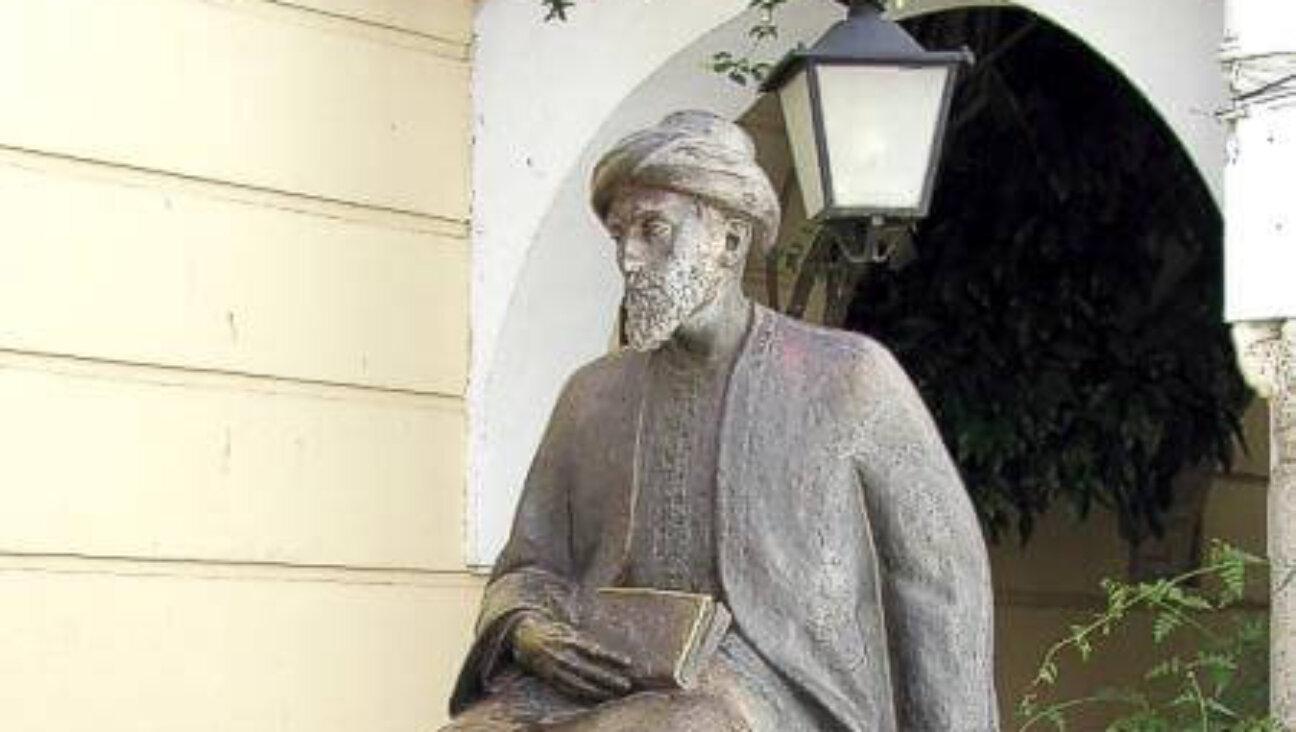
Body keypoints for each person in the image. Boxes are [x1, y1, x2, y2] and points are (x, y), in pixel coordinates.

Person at [441, 110, 999, 731]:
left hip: (780, 691)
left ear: (729, 242)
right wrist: (530, 633)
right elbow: (529, 566)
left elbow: (939, 584)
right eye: (620, 234)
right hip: (601, 675)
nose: (630, 257)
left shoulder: (847, 378)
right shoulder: (592, 396)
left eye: (653, 230)